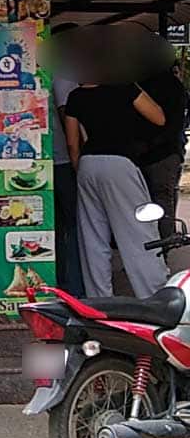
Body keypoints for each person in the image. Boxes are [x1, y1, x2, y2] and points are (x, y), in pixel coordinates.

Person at [64, 81, 168, 298]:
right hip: (120, 163)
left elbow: (72, 144)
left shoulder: (75, 96)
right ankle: (154, 296)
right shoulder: (124, 86)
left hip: (88, 164)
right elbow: (159, 117)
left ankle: (99, 300)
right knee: (138, 233)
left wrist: (79, 170)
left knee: (92, 238)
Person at [137, 65, 188, 240]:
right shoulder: (174, 86)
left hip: (148, 152)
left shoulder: (139, 84)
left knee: (146, 202)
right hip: (166, 151)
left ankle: (154, 243)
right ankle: (165, 244)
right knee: (163, 199)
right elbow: (177, 123)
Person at [52, 75, 85, 297]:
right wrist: (79, 162)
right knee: (74, 225)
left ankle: (59, 281)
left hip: (46, 161)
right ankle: (73, 287)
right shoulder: (64, 75)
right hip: (63, 160)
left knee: (55, 225)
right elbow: (68, 119)